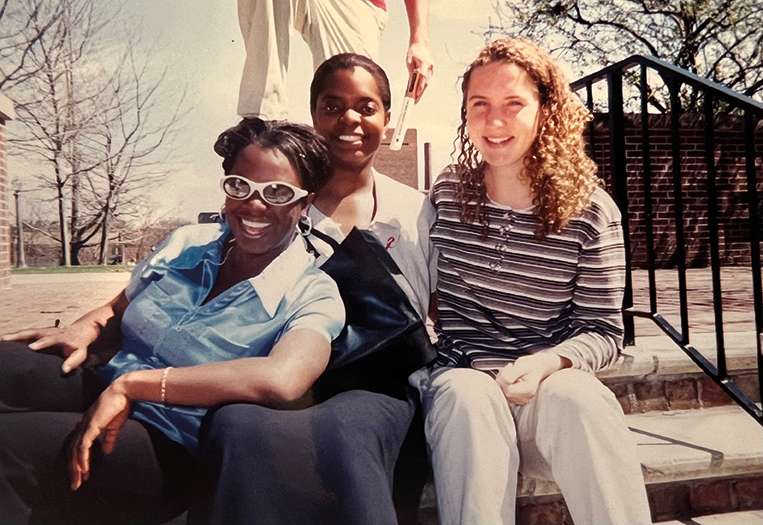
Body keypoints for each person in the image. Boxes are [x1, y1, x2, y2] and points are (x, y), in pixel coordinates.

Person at [0, 119, 345, 525]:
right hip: (106, 381)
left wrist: (136, 386)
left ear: (306, 203)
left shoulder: (313, 292)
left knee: (7, 447)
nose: (254, 205)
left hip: (172, 440)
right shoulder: (189, 243)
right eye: (240, 186)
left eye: (278, 193)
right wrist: (84, 329)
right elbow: (117, 309)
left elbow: (282, 379)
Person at [409, 38, 653, 525]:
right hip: (466, 388)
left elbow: (604, 331)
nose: (494, 122)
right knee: (466, 397)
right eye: (480, 105)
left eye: (514, 104)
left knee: (582, 398)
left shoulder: (591, 212)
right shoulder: (449, 194)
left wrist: (545, 363)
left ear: (546, 111)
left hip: (547, 396)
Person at [191, 53, 437, 525]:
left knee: (344, 434)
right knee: (237, 427)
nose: (350, 118)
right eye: (332, 106)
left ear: (386, 119)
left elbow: (438, 312)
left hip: (380, 383)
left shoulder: (417, 211)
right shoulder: (279, 205)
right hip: (284, 373)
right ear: (314, 116)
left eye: (366, 107)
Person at [236, 0, 434, 120]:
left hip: (353, 6)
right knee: (262, 121)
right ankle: (262, 120)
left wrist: (420, 40)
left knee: (351, 107)